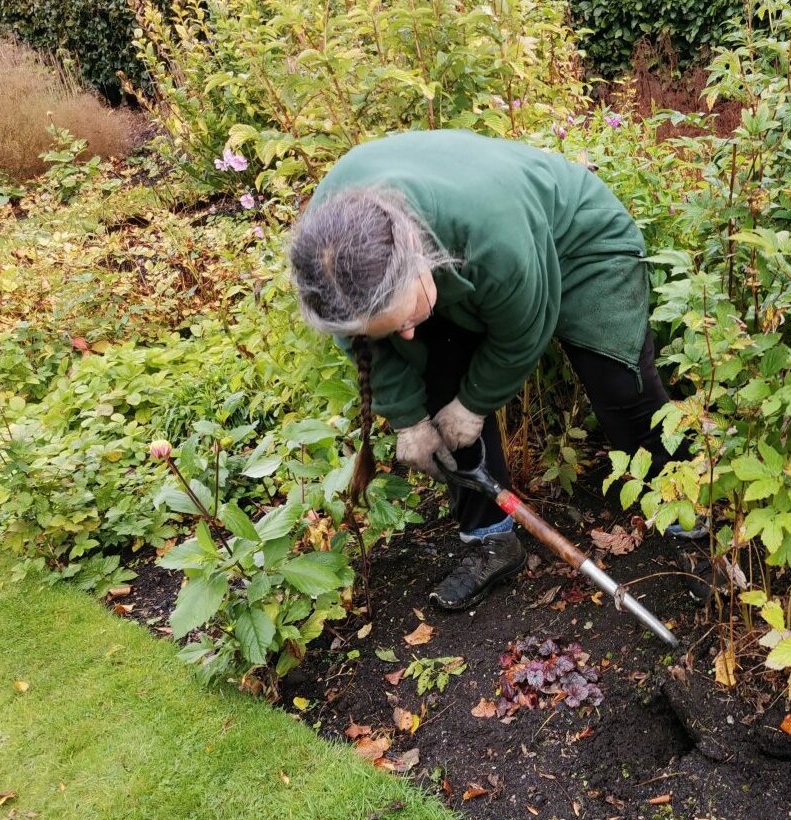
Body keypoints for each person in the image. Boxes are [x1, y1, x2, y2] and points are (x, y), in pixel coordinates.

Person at [286, 129, 702, 612]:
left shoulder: (491, 237)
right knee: (438, 378)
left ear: (425, 261)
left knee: (619, 385)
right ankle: (492, 541)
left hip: (578, 241)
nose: (403, 335)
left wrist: (474, 404)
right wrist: (408, 417)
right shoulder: (330, 255)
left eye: (403, 319)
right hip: (463, 263)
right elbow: (358, 336)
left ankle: (688, 514)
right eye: (388, 327)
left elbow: (523, 329)